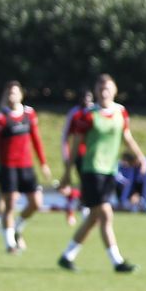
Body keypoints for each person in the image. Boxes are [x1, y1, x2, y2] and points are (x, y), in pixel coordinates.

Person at [58, 74, 143, 274]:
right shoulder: (88, 115)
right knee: (105, 213)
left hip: (109, 170)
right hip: (91, 170)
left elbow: (126, 137)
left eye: (108, 88)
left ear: (114, 90)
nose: (104, 91)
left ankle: (67, 256)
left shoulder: (121, 112)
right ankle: (117, 262)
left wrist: (140, 156)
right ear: (96, 92)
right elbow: (76, 144)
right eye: (100, 88)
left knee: (94, 218)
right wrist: (68, 172)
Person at [0, 81, 52, 254]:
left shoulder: (29, 114)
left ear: (21, 95)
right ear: (5, 96)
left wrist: (43, 163)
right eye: (9, 93)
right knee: (10, 204)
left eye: (15, 92)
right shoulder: (0, 119)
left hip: (26, 167)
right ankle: (10, 243)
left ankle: (18, 226)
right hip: (8, 167)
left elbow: (36, 139)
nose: (12, 96)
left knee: (36, 203)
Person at [59, 87, 96, 226]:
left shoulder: (96, 111)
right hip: (78, 154)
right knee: (82, 183)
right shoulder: (74, 113)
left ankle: (82, 209)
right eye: (84, 97)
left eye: (89, 97)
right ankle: (82, 211)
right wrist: (66, 155)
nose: (87, 100)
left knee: (88, 185)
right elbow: (65, 136)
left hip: (93, 155)